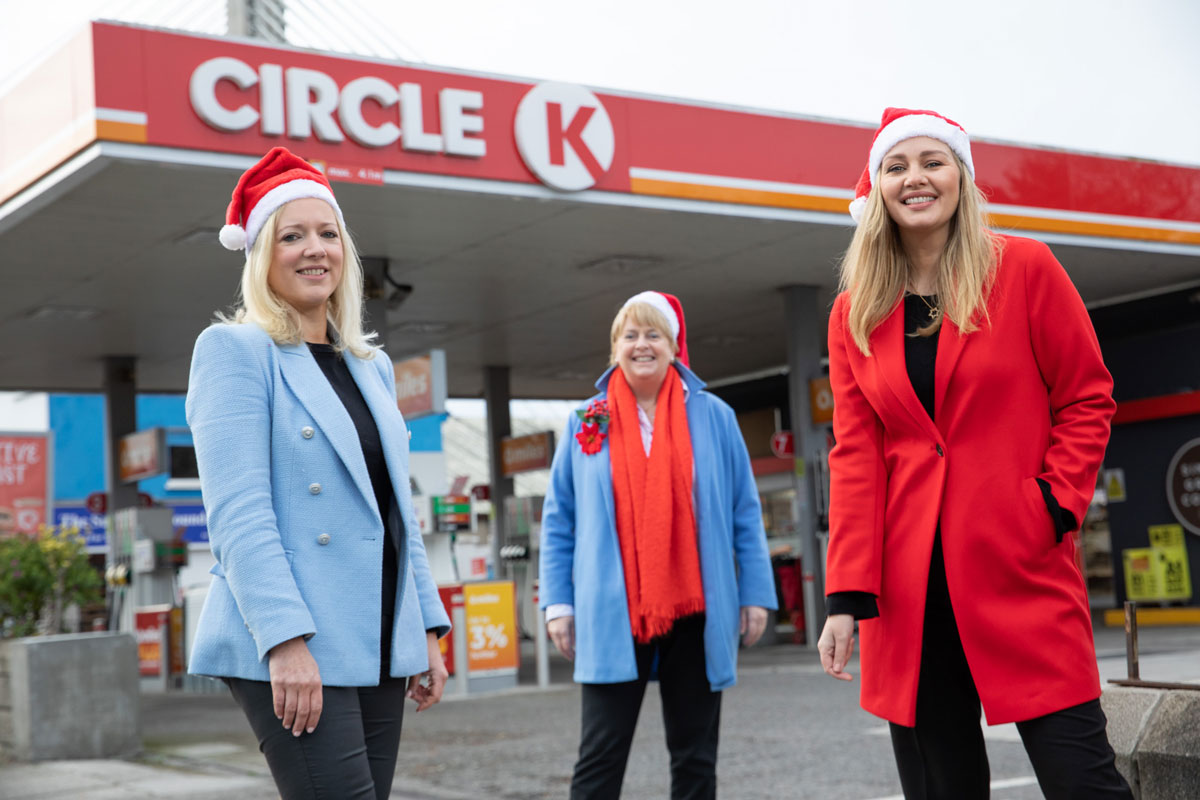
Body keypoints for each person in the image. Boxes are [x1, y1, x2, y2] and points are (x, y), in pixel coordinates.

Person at [815, 108, 1132, 799]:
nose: (915, 178)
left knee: (1084, 783)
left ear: (961, 175)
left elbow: (1087, 397)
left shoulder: (1023, 268)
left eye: (932, 160)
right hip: (908, 590)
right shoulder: (854, 312)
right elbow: (856, 455)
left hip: (1016, 561)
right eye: (895, 166)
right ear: (876, 188)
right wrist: (845, 595)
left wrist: (1052, 506)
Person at [186, 147, 450, 800]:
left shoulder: (371, 366)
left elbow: (397, 515)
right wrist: (284, 641)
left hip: (377, 633)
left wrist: (425, 630)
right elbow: (240, 513)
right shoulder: (235, 351)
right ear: (262, 255)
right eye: (292, 234)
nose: (315, 249)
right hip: (295, 636)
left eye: (328, 233)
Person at [539, 291, 777, 799]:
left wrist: (755, 593)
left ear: (673, 347)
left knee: (695, 756)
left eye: (653, 335)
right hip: (611, 609)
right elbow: (560, 521)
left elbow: (744, 510)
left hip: (697, 605)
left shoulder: (714, 416)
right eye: (630, 335)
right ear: (614, 349)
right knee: (600, 756)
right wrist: (558, 604)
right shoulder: (586, 420)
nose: (641, 345)